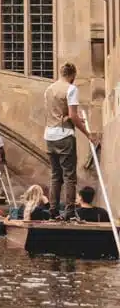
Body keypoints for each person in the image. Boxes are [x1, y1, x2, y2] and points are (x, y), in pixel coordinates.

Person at [44, 63, 92, 221]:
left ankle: (53, 211)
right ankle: (69, 212)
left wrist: (71, 118)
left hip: (50, 135)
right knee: (69, 176)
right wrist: (87, 133)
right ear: (73, 75)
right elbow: (72, 115)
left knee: (55, 175)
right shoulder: (71, 89)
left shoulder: (49, 90)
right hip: (64, 136)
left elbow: (56, 113)